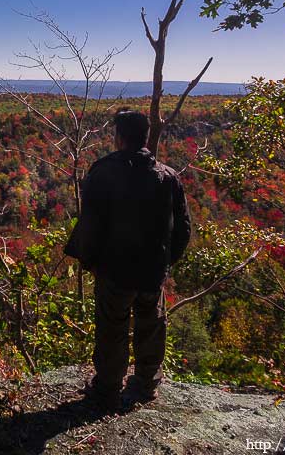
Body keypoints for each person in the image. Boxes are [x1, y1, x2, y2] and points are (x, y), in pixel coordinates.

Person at [63, 109, 191, 411]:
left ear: (119, 137)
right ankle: (146, 385)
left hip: (114, 271)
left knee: (111, 330)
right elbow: (183, 229)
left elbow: (91, 224)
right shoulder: (167, 177)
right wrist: (165, 263)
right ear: (145, 137)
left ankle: (108, 388)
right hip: (151, 272)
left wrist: (90, 261)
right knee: (151, 328)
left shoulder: (103, 173)